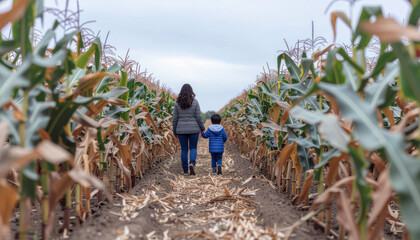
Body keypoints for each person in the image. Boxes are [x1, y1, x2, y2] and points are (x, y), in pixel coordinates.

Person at [172, 84, 205, 175]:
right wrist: (202, 128)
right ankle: (192, 163)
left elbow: (175, 119)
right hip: (194, 129)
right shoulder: (195, 102)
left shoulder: (177, 103)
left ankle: (186, 170)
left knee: (184, 150)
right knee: (193, 148)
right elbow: (199, 117)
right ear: (191, 91)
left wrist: (174, 131)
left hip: (181, 130)